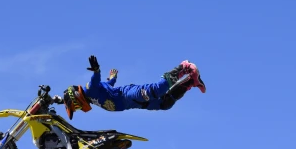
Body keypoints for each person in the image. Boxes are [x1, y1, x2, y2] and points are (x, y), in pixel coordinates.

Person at [61, 55, 206, 119]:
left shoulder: (90, 89)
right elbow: (109, 84)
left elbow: (95, 79)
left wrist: (96, 69)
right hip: (135, 104)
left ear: (76, 97)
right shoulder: (94, 98)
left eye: (77, 106)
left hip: (128, 94)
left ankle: (183, 67)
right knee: (165, 104)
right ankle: (190, 81)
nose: (80, 108)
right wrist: (113, 77)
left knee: (156, 90)